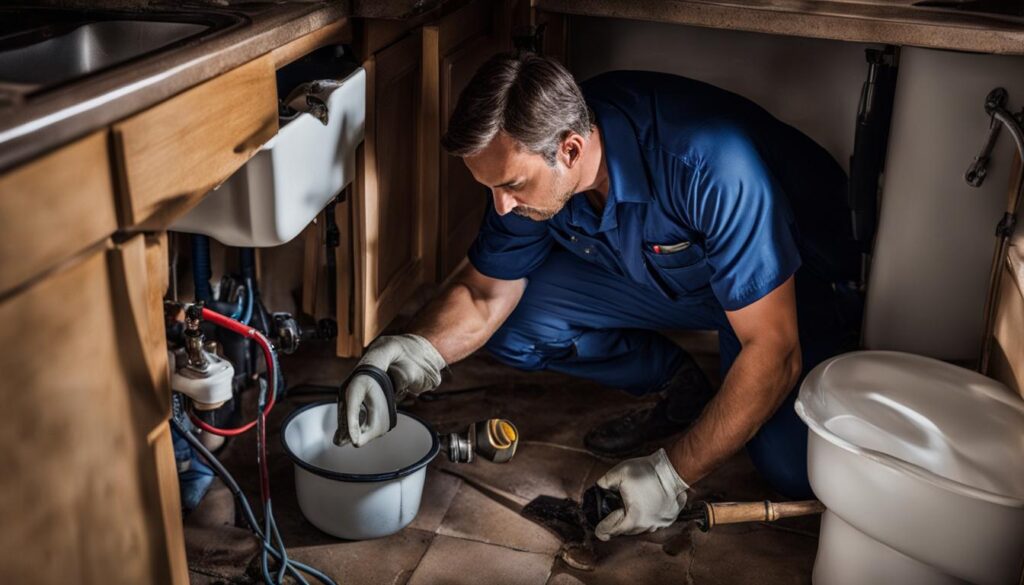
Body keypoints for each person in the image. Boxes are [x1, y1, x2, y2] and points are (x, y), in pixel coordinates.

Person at [335, 52, 860, 541]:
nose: (501, 207)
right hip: (671, 274)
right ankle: (677, 383)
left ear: (570, 150)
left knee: (793, 467)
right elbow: (484, 289)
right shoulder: (540, 157)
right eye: (491, 188)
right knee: (514, 324)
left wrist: (670, 474)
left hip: (786, 285)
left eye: (512, 185)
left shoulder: (708, 166)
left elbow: (774, 349)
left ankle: (727, 393)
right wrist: (408, 354)